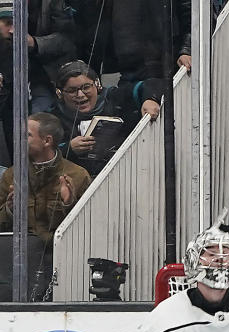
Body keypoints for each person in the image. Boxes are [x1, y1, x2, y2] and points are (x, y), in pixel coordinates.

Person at [0, 112, 91, 300]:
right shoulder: (12, 175)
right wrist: (10, 210)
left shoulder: (77, 175)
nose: (18, 139)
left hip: (61, 266)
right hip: (17, 266)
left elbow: (87, 230)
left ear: (47, 140)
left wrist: (69, 204)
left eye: (27, 135)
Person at [49, 60, 162, 176]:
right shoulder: (53, 119)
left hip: (128, 172)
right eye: (72, 91)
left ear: (97, 84)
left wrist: (150, 99)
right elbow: (40, 153)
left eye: (86, 87)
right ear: (60, 94)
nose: (80, 95)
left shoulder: (115, 97)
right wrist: (69, 149)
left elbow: (153, 84)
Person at [0, 0, 76, 114]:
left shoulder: (53, 4)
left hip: (43, 76)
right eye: (8, 23)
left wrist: (34, 43)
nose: (13, 31)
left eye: (18, 23)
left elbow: (67, 39)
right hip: (11, 82)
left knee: (38, 120)